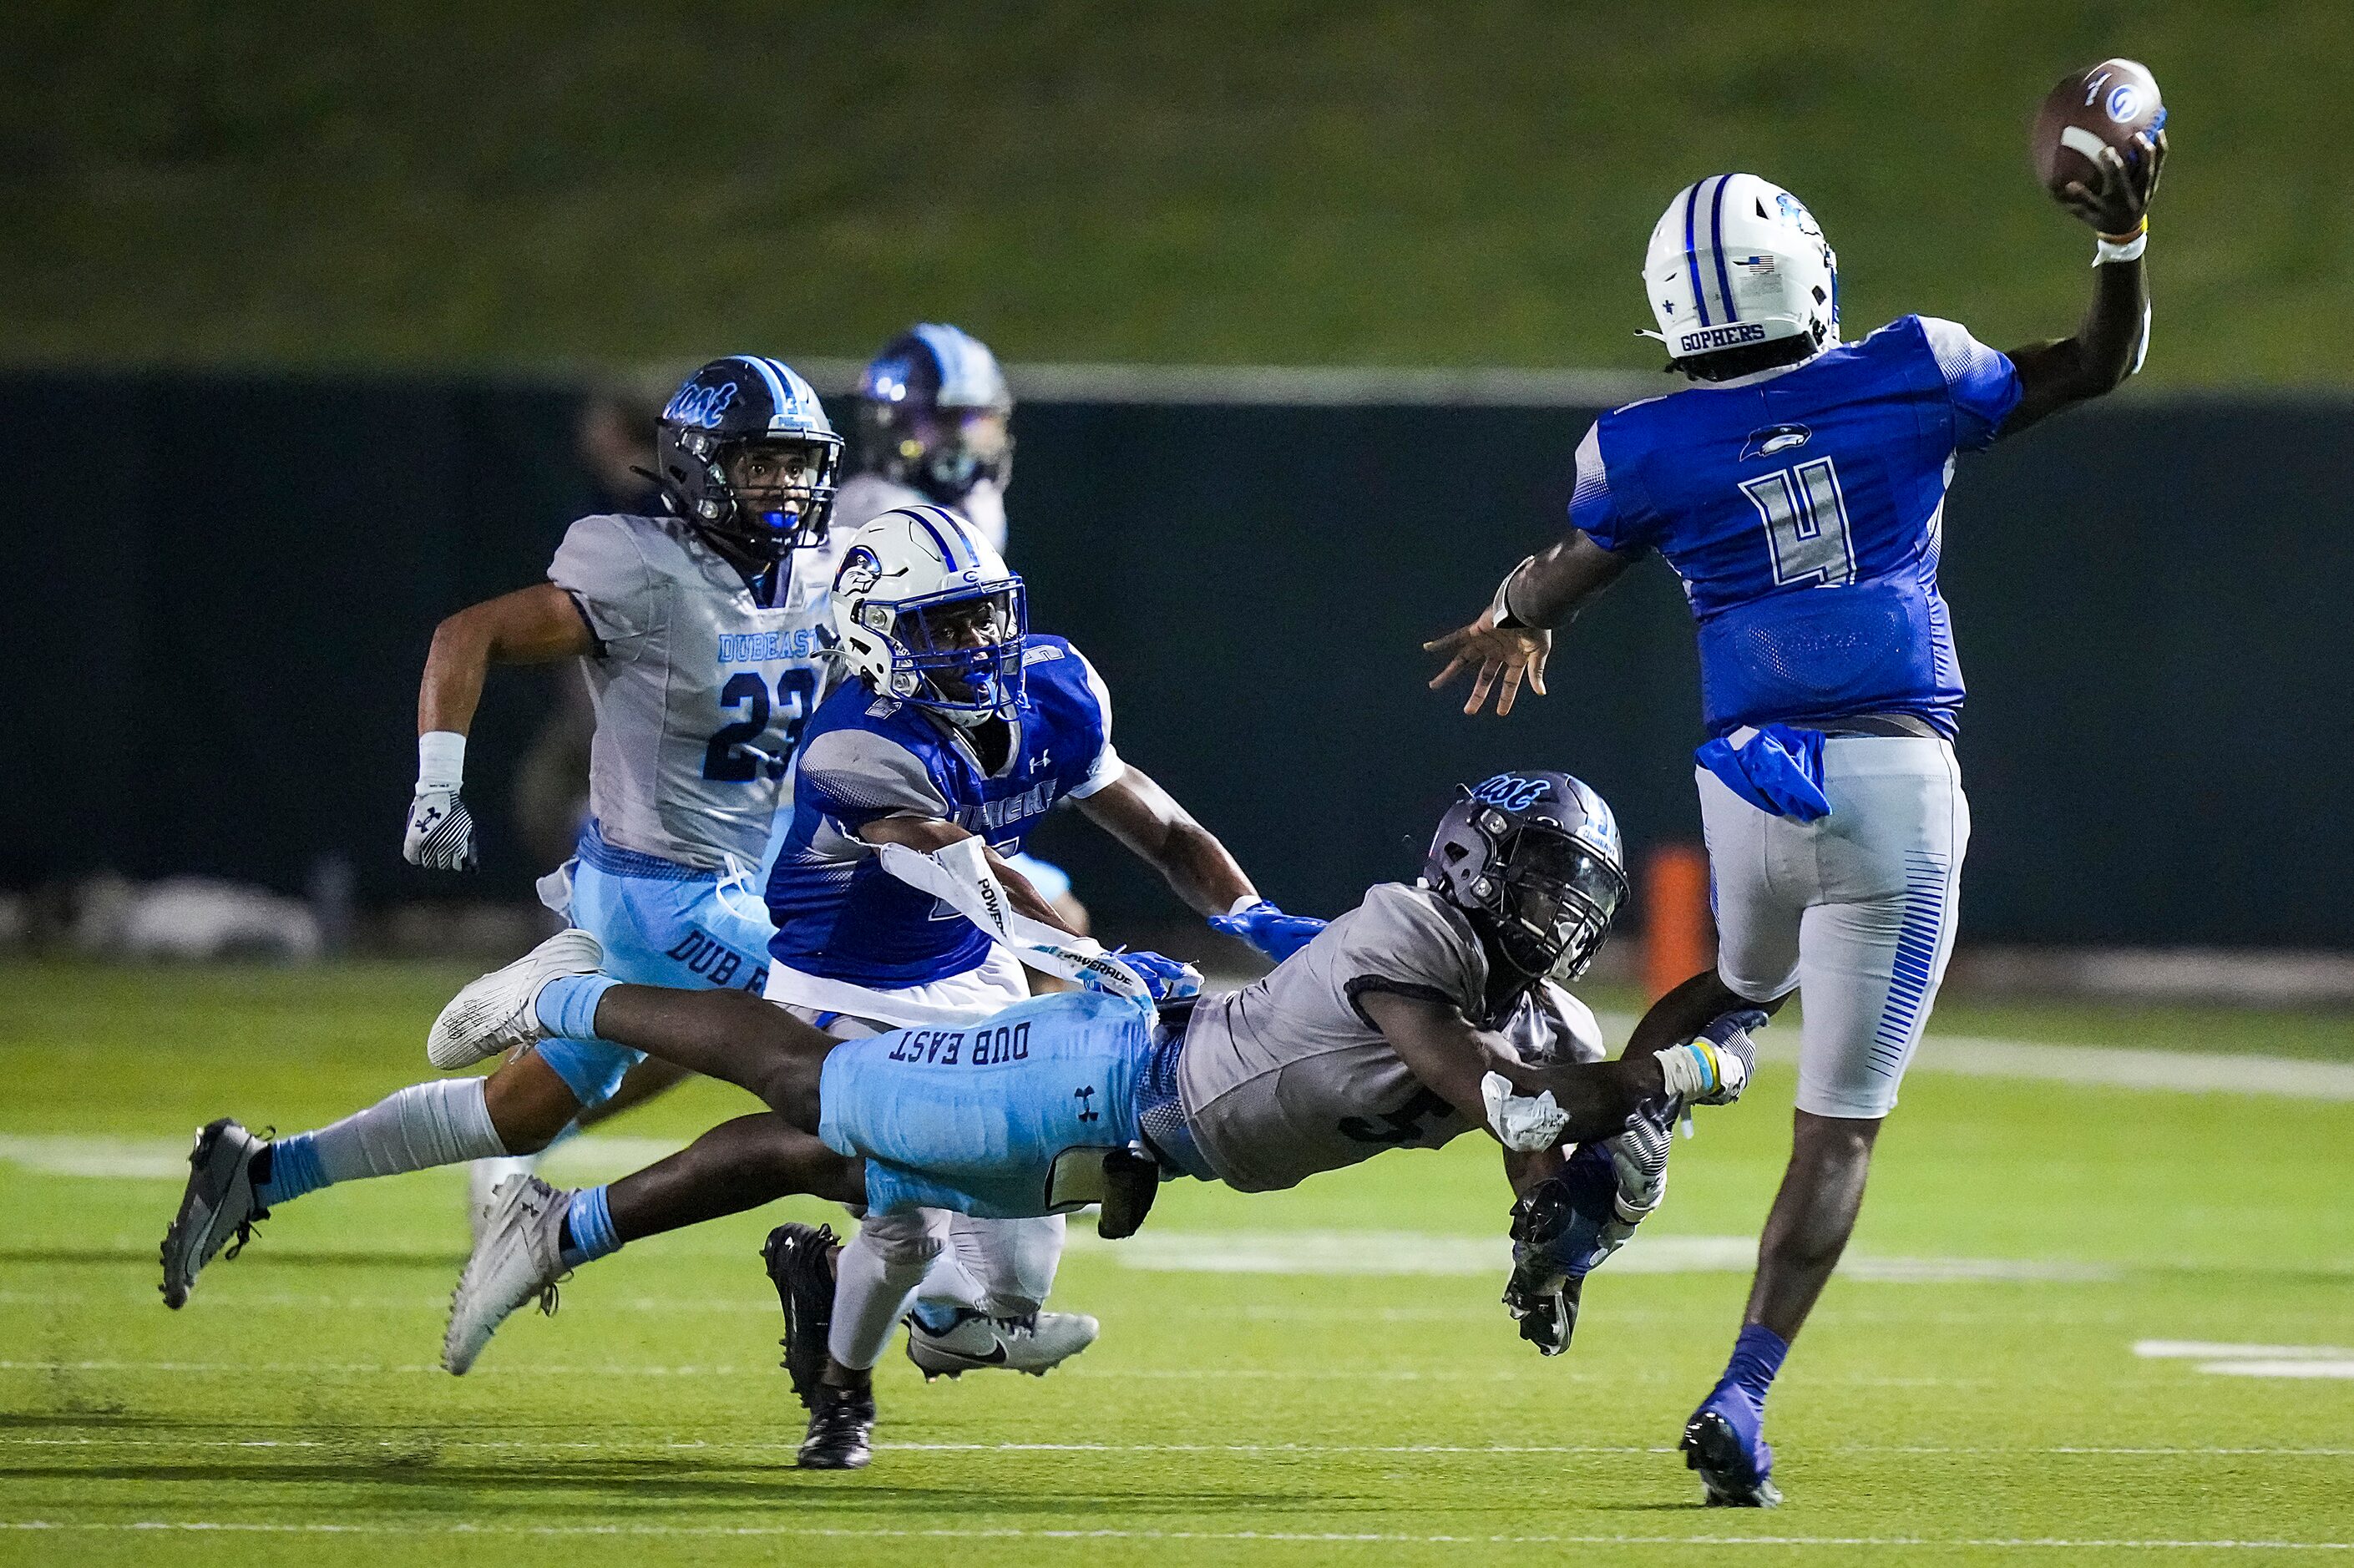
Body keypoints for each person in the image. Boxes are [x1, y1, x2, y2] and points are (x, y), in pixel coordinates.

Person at [1422, 139, 2166, 1506]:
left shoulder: (1636, 445)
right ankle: (1739, 1392)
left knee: (1729, 991)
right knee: (1835, 1123)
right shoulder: (1907, 370)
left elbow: (1577, 557)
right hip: (1889, 769)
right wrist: (2117, 239)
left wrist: (1517, 610)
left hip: (1745, 779)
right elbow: (2092, 361)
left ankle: (1579, 1158)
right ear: (1803, 278)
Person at [428, 770, 1766, 1469]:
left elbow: (1544, 1136)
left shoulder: (1547, 1023)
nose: (1565, 907)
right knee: (814, 1084)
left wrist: (1559, 1235)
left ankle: (563, 1226)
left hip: (1143, 1140)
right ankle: (585, 992)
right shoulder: (1407, 930)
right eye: (1546, 875)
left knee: (853, 1154)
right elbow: (1508, 1100)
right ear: (1477, 864)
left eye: (1577, 885)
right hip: (1110, 1072)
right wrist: (1691, 1075)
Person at [158, 355, 844, 1307]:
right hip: (662, 891)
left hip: (716, 879)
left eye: (795, 464)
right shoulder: (639, 564)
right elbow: (466, 633)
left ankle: (259, 1172)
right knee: (848, 1054)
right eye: (759, 464)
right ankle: (939, 1301)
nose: (783, 486)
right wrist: (438, 785)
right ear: (694, 466)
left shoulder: (823, 575)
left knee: (514, 1117)